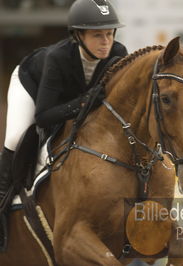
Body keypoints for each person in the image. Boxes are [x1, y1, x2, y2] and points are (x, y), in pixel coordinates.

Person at [0, 0, 128, 219]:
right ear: (79, 35)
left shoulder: (118, 54)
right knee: (15, 137)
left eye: (110, 34)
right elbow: (43, 117)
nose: (106, 42)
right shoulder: (57, 57)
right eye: (97, 35)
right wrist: (85, 101)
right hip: (30, 84)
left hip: (69, 97)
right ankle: (1, 202)